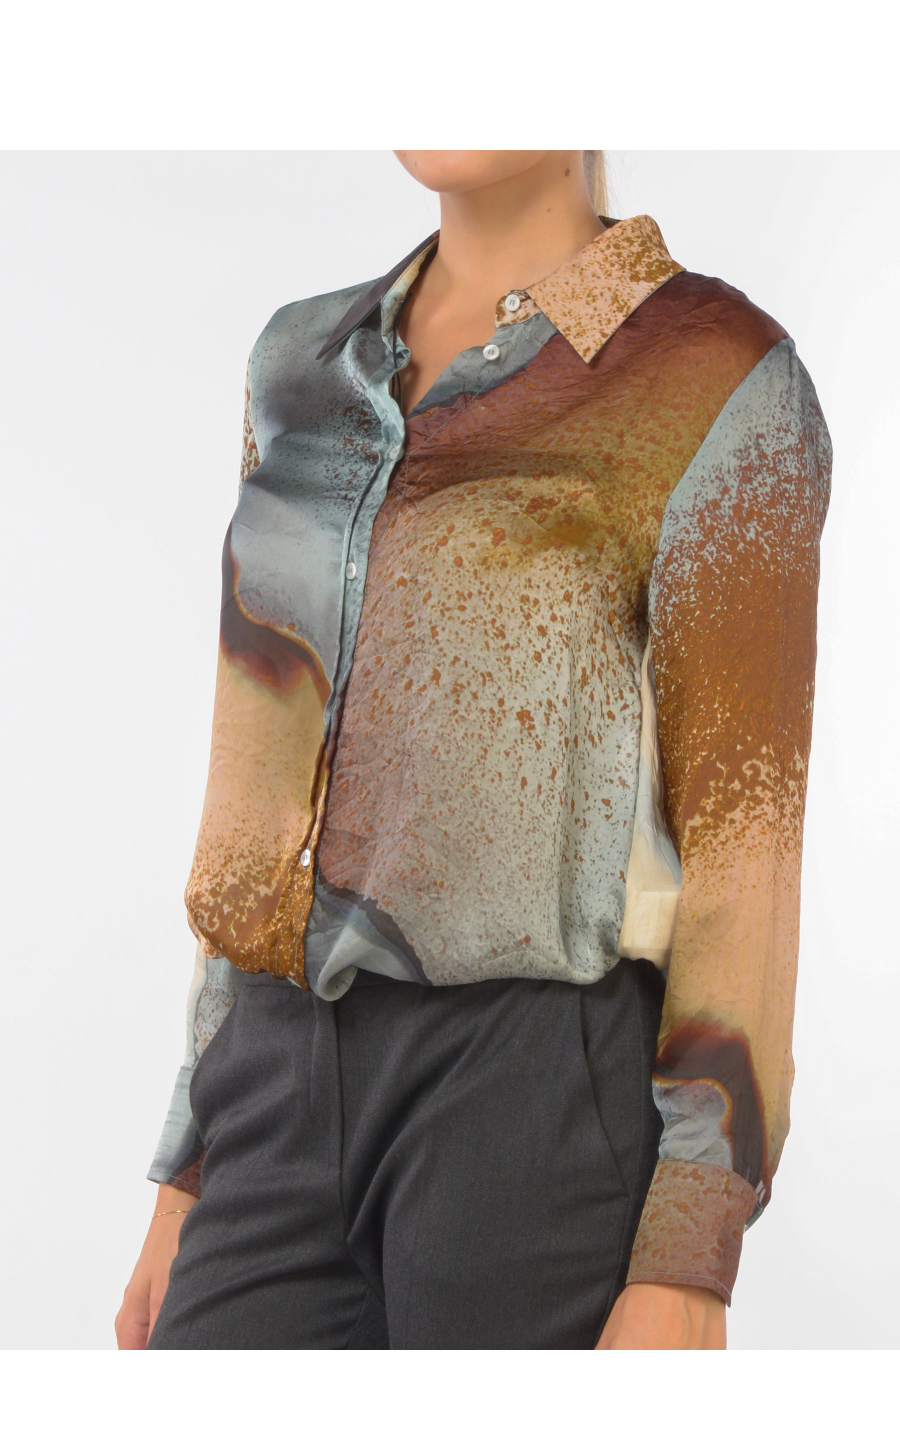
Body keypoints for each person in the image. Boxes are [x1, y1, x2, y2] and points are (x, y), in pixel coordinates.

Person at [115, 150, 831, 1350]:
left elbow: (744, 848)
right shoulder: (299, 362)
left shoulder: (714, 371)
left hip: (532, 1104)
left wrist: (691, 1254)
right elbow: (259, 791)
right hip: (272, 1077)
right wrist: (188, 1163)